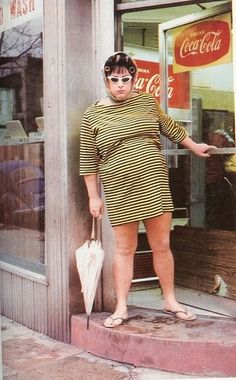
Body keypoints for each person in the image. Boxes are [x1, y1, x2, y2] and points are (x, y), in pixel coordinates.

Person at [79, 52, 215, 328]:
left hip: (153, 183)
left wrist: (195, 146)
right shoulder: (92, 114)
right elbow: (87, 158)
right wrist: (94, 196)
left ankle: (170, 300)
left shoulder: (146, 102)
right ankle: (121, 307)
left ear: (133, 80)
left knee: (161, 245)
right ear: (106, 81)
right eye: (114, 79)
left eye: (125, 79)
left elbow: (171, 128)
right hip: (119, 188)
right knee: (125, 248)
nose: (119, 84)